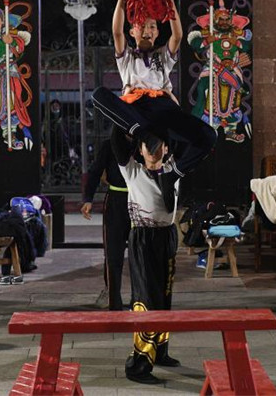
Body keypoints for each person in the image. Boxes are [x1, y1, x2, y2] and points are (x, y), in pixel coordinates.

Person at [91, 0, 216, 212]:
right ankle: (143, 134)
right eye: (142, 26)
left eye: (152, 26)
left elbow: (177, 35)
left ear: (158, 32)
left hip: (163, 109)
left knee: (208, 136)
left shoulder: (162, 57)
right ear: (133, 31)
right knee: (98, 94)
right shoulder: (127, 58)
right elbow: (116, 31)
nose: (147, 30)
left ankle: (172, 176)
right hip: (136, 110)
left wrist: (169, 0)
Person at [110, 127, 181, 385]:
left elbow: (185, 132)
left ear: (166, 148)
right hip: (143, 239)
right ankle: (138, 364)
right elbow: (116, 140)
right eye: (147, 145)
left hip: (167, 236)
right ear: (139, 150)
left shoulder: (173, 168)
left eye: (158, 144)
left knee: (164, 294)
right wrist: (132, 118)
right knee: (146, 297)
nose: (153, 149)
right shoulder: (132, 171)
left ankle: (160, 351)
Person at [81, 139, 130, 311]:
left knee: (141, 254)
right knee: (113, 253)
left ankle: (141, 298)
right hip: (116, 201)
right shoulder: (110, 145)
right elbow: (95, 171)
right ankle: (113, 298)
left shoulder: (144, 141)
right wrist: (88, 199)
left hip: (141, 201)